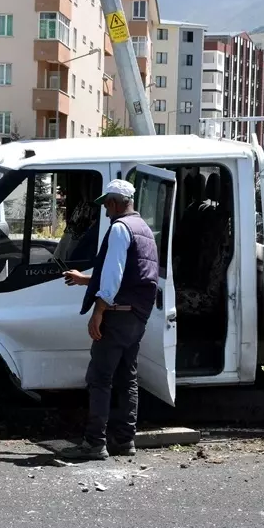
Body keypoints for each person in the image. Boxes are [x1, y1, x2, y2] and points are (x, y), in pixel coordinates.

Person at [60, 179, 160, 461]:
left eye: (106, 204)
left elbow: (115, 277)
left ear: (115, 203)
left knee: (100, 378)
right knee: (127, 378)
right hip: (136, 316)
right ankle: (124, 441)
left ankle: (94, 443)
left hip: (116, 315)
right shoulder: (144, 229)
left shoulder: (119, 229)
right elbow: (130, 274)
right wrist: (85, 280)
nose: (105, 210)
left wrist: (98, 311)